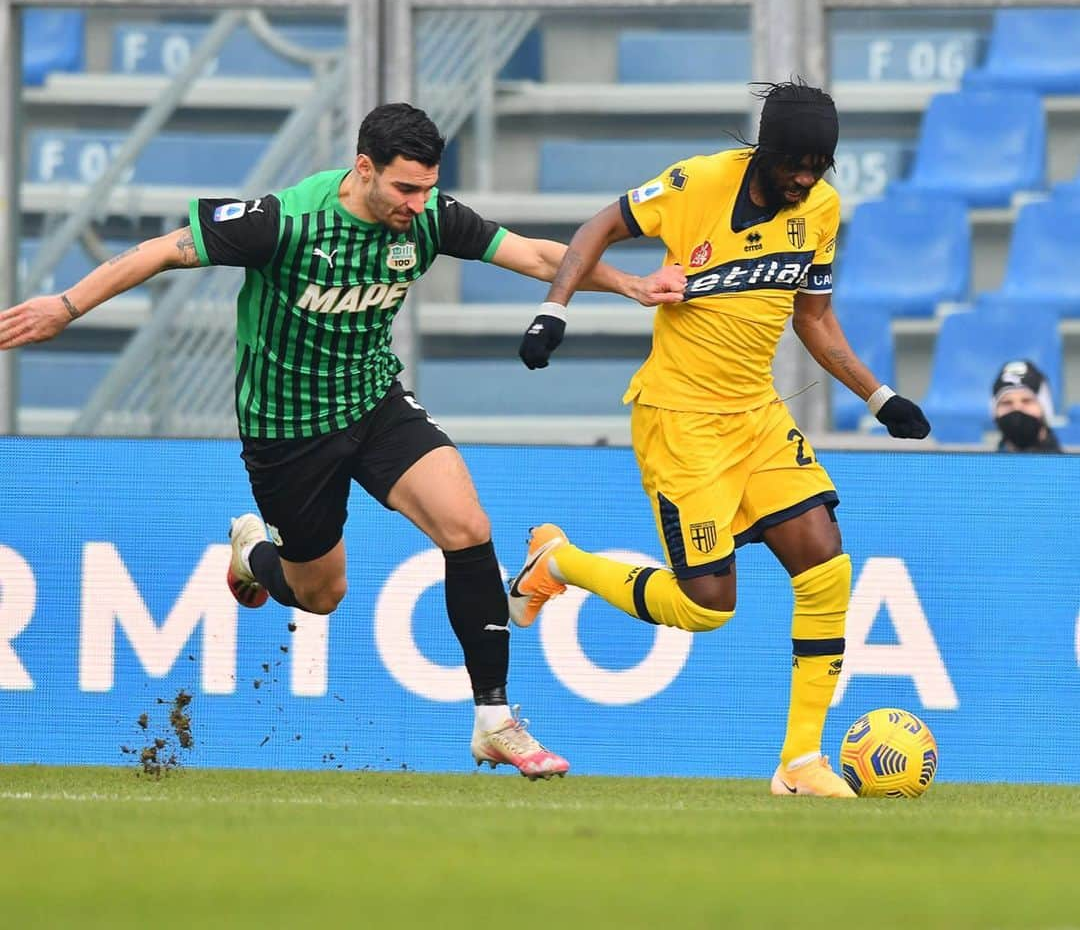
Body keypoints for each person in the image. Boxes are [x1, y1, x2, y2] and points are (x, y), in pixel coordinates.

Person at [0, 101, 684, 779]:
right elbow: (162, 251)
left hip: (373, 403)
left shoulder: (429, 217)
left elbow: (536, 254)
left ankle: (494, 721)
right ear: (364, 168)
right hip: (287, 432)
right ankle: (251, 554)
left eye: (428, 186)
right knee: (321, 594)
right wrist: (64, 307)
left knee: (467, 525)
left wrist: (630, 283)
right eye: (405, 188)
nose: (419, 204)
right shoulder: (285, 222)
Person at [513, 81, 931, 796]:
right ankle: (559, 563)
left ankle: (800, 762)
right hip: (682, 421)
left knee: (827, 566)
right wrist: (555, 310)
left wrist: (879, 395)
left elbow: (814, 318)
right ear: (765, 151)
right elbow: (596, 229)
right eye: (796, 162)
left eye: (820, 164)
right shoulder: (697, 182)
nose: (807, 177)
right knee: (704, 606)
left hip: (758, 417)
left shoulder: (821, 210)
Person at [991, 359, 1062, 453]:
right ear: (995, 412)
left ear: (1045, 409)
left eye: (1026, 401)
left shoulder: (1070, 466)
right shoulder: (985, 466)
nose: (1017, 408)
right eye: (1007, 402)